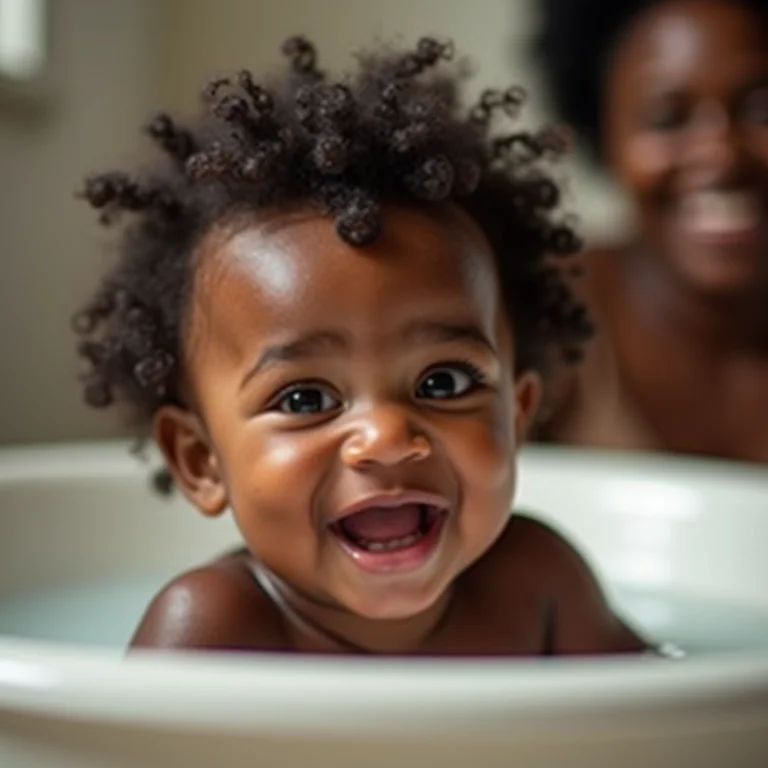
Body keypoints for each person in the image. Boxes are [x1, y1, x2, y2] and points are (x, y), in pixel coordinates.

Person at [73, 35, 652, 656]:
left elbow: (674, 721)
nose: (387, 437)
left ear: (517, 412)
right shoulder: (216, 631)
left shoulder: (540, 585)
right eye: (303, 398)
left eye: (445, 383)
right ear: (199, 460)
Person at [534, 0, 768, 462]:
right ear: (606, 135)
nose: (721, 155)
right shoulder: (534, 311)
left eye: (762, 111)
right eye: (667, 118)